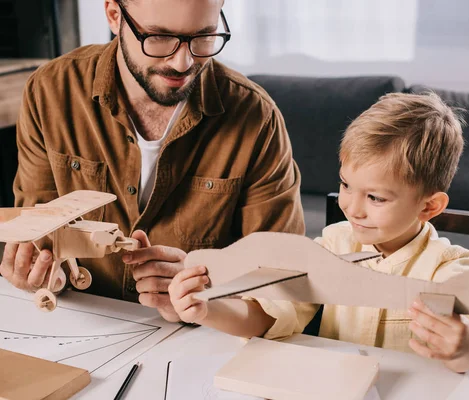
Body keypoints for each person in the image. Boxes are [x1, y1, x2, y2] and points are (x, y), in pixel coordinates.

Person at [0, 0, 304, 322]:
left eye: (204, 37)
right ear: (114, 16)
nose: (183, 62)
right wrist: (45, 274)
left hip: (203, 341)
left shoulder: (256, 118)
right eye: (159, 38)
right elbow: (40, 234)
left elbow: (283, 291)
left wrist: (206, 301)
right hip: (80, 324)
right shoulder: (50, 91)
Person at [169, 92, 469, 372]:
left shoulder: (449, 265)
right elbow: (269, 318)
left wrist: (462, 344)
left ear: (429, 207)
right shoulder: (334, 243)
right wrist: (207, 309)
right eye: (345, 185)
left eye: (375, 197)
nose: (352, 207)